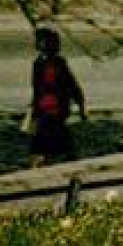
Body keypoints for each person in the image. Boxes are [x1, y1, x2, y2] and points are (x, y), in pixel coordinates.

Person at [29, 27, 85, 166]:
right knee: (48, 137)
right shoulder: (38, 63)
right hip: (44, 107)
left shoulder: (59, 62)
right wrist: (34, 109)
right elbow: (36, 88)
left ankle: (62, 161)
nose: (38, 43)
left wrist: (80, 103)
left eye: (41, 41)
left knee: (53, 136)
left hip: (57, 107)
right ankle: (51, 161)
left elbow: (71, 83)